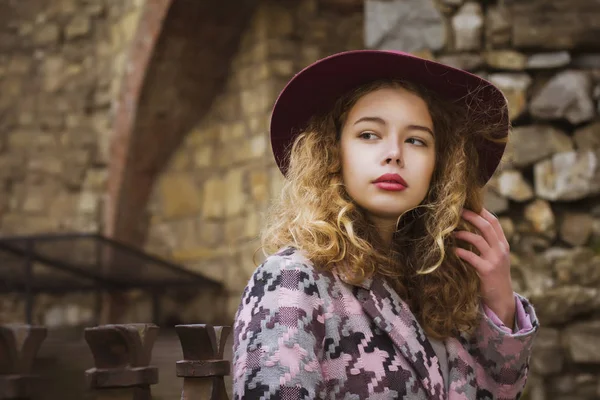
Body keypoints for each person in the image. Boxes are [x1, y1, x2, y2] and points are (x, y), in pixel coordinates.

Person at [232, 50, 539, 399]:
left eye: (416, 140)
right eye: (369, 135)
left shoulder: (441, 289)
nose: (394, 152)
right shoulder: (292, 279)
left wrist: (500, 304)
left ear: (439, 168)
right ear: (333, 152)